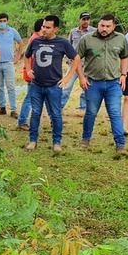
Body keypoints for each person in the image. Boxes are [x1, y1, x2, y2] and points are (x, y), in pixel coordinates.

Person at [24, 15, 82, 153]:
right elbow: (26, 56)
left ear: (56, 28)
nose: (44, 29)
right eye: (43, 26)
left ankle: (57, 142)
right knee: (35, 113)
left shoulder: (62, 43)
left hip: (54, 86)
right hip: (36, 85)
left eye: (48, 27)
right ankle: (33, 140)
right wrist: (28, 68)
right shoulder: (35, 41)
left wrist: (68, 77)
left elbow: (76, 58)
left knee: (55, 114)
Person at [76, 13, 128, 154]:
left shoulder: (121, 39)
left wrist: (124, 75)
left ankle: (120, 144)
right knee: (91, 112)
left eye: (107, 26)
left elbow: (124, 57)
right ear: (98, 24)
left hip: (113, 83)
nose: (104, 29)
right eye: (102, 25)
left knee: (114, 113)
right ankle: (85, 139)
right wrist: (81, 77)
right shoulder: (86, 39)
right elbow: (76, 58)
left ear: (113, 27)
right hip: (93, 83)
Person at [0, 13, 24, 117]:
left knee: (11, 87)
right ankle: (2, 108)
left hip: (9, 63)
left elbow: (21, 42)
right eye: (0, 21)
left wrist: (18, 57)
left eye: (4, 21)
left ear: (7, 21)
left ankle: (13, 109)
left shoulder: (12, 31)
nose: (2, 23)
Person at [62, 12, 97, 112]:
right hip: (74, 64)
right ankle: (58, 108)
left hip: (87, 65)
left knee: (86, 88)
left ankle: (83, 107)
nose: (86, 21)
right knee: (66, 87)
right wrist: (67, 58)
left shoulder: (94, 31)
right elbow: (68, 45)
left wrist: (96, 56)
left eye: (87, 19)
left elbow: (97, 47)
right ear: (80, 20)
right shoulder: (73, 32)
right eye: (84, 19)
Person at [17, 18, 44, 131]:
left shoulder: (36, 37)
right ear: (41, 27)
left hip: (32, 73)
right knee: (30, 98)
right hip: (32, 73)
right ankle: (22, 121)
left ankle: (23, 120)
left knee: (31, 97)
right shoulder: (36, 39)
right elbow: (32, 57)